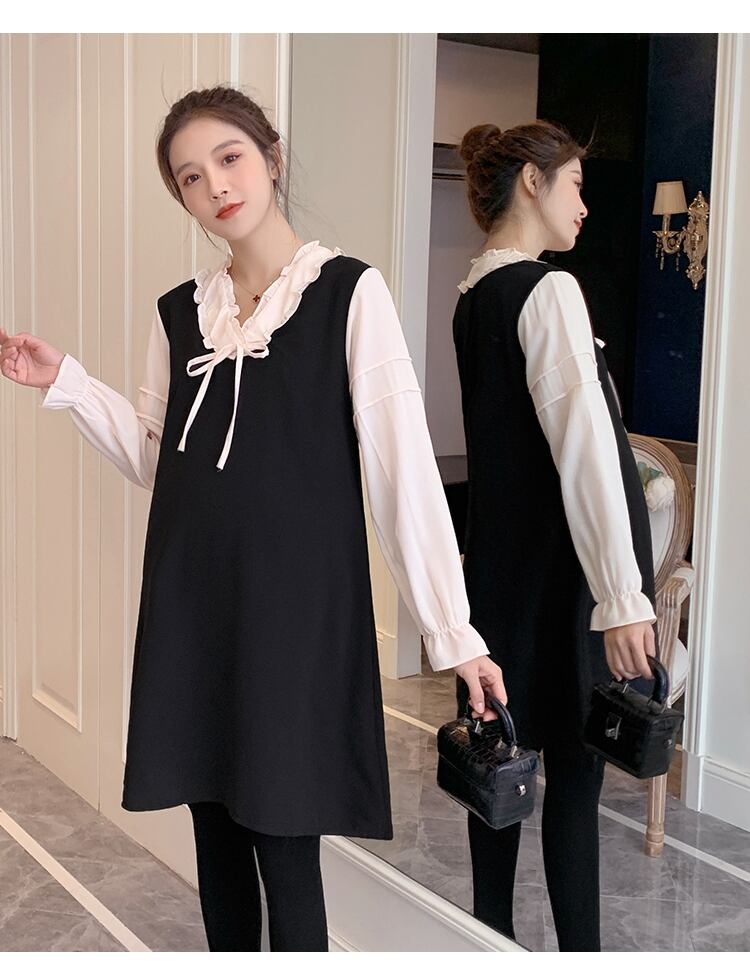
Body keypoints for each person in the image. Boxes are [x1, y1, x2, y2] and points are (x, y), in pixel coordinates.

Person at [0, 85, 506, 953]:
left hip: (296, 618)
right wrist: (69, 384)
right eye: (190, 178)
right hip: (194, 604)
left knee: (285, 843)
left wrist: (451, 630)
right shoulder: (179, 312)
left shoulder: (348, 293)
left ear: (271, 156)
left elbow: (402, 468)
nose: (216, 187)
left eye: (228, 159)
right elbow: (160, 459)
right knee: (215, 834)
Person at [451, 121, 658, 952]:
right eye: (575, 184)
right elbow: (587, 454)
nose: (584, 206)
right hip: (565, 583)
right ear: (532, 182)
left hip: (500, 579)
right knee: (573, 783)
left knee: (495, 767)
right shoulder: (547, 291)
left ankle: (490, 945)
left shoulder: (473, 298)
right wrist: (622, 597)